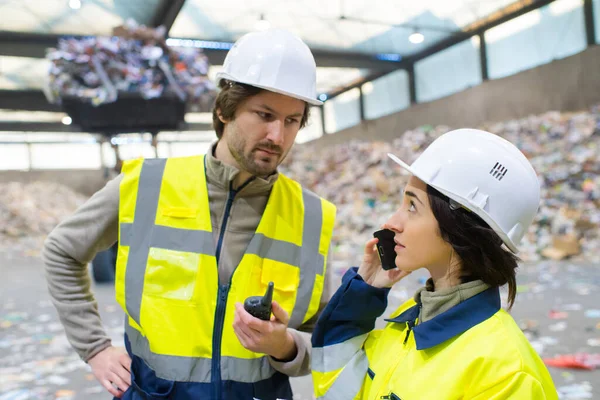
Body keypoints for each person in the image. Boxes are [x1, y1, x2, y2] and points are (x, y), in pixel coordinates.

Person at [43, 28, 336, 400]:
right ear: (224, 109)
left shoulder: (311, 216)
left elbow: (323, 341)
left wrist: (285, 346)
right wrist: (95, 348)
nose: (277, 136)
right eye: (264, 114)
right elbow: (61, 252)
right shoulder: (146, 184)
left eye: (292, 120)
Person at [311, 129, 558, 399]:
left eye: (412, 206)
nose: (391, 223)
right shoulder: (410, 321)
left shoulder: (505, 374)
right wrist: (361, 297)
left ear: (460, 228)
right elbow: (338, 389)